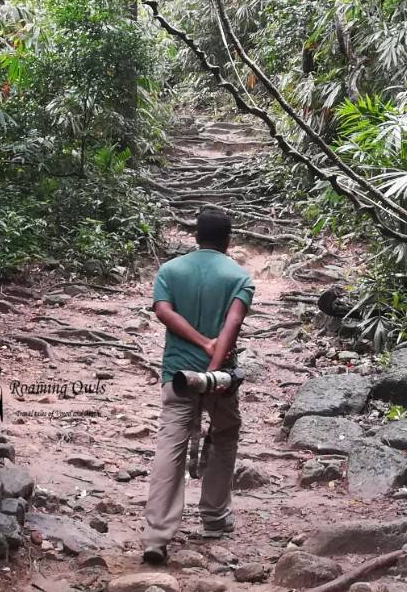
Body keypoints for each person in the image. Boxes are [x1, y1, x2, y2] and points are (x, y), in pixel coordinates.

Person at [140, 206, 253, 564]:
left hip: (177, 375)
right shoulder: (239, 277)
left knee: (170, 447)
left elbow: (163, 311)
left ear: (195, 236)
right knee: (224, 435)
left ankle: (156, 537)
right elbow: (232, 326)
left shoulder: (171, 270)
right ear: (228, 240)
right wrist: (213, 368)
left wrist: (201, 345)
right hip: (219, 380)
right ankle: (214, 518)